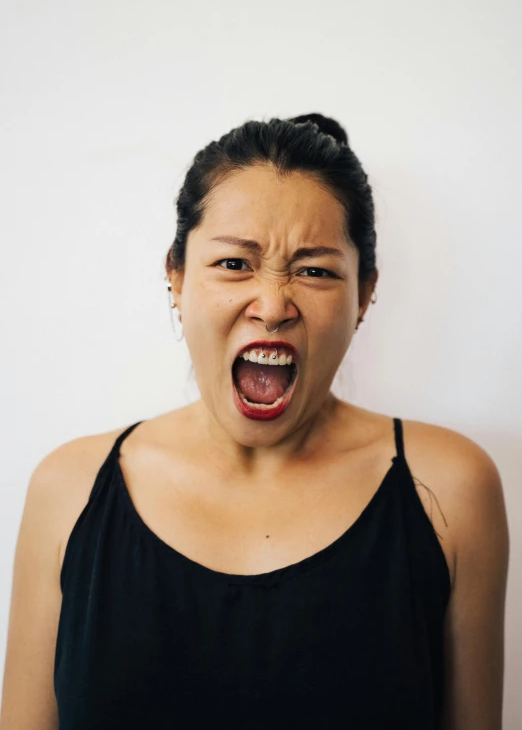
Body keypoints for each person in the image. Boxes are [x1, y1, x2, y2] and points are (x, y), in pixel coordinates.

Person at [1, 114, 509, 729]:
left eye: (316, 270)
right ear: (177, 277)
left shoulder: (450, 489)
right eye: (234, 265)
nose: (272, 306)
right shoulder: (69, 489)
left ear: (365, 293)